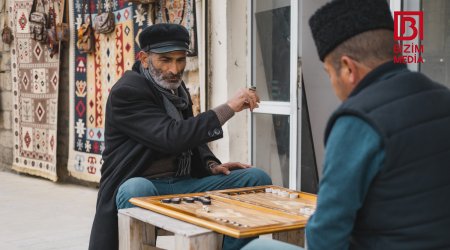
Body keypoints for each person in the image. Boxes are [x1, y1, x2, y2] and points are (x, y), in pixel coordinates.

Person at [243, 0, 450, 249]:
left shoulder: (358, 121)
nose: (332, 82)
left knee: (255, 247)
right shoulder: (442, 97)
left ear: (348, 68)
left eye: (329, 73)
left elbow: (326, 233)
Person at [88, 23, 272, 250]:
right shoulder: (127, 91)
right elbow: (171, 136)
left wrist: (210, 163)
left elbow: (190, 138)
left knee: (255, 178)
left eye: (180, 59)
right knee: (135, 189)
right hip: (149, 186)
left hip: (184, 182)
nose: (174, 69)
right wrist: (229, 108)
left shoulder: (176, 89)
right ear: (144, 58)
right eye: (165, 60)